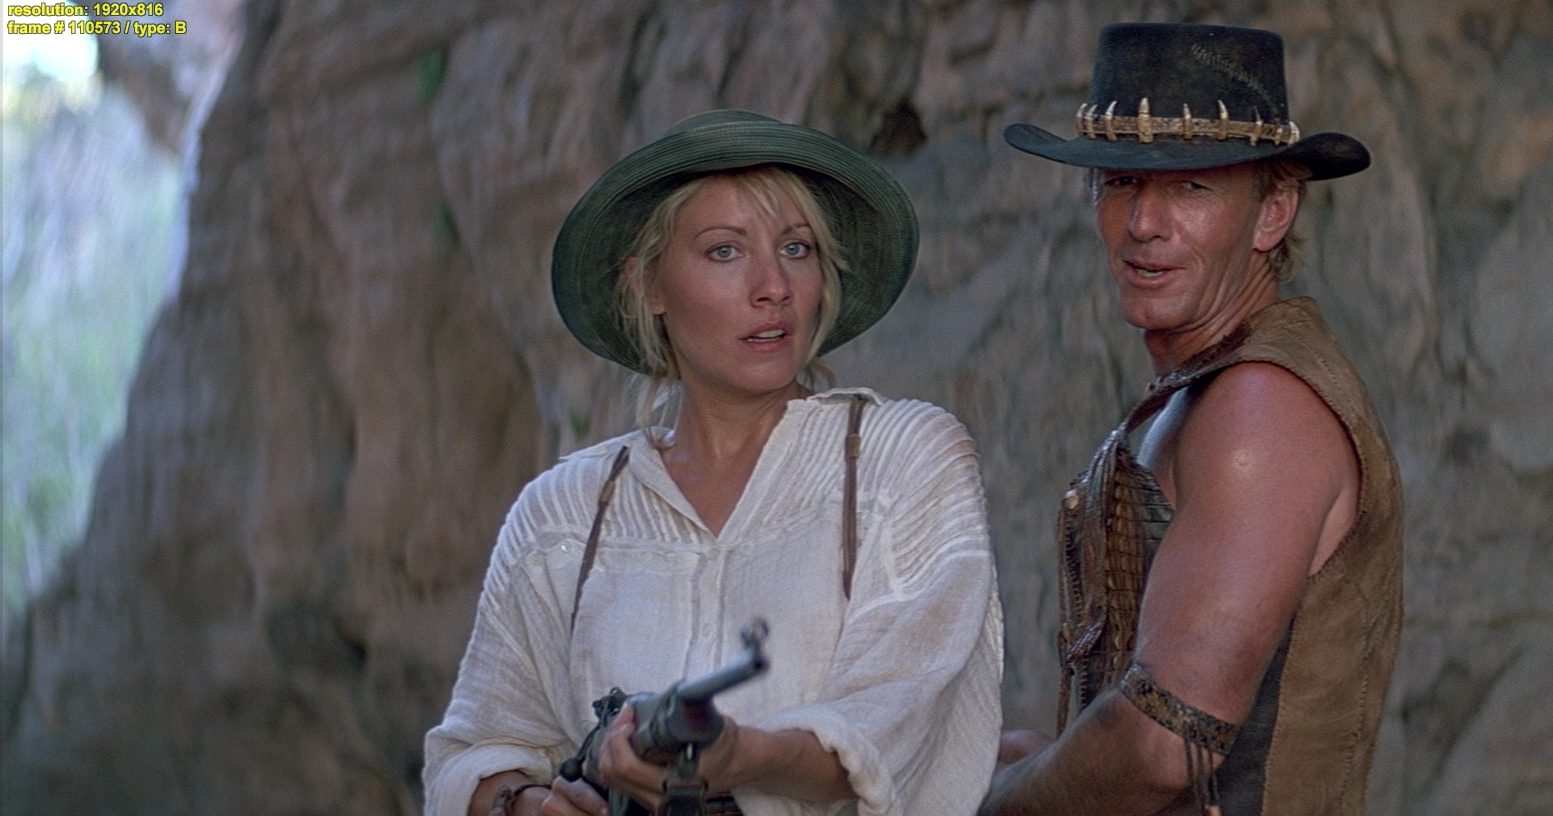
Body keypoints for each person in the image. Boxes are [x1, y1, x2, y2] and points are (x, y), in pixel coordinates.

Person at [423, 110, 1003, 816]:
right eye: (724, 251)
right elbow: (472, 754)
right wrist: (524, 805)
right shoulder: (563, 514)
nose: (773, 286)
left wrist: (741, 757)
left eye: (796, 248)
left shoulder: (903, 457)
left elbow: (893, 719)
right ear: (648, 286)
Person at [981, 23, 1403, 816]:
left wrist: (1001, 805)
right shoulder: (1212, 387)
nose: (1144, 223)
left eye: (1191, 188)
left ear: (1274, 210)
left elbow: (1165, 742)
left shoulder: (1260, 409)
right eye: (1121, 182)